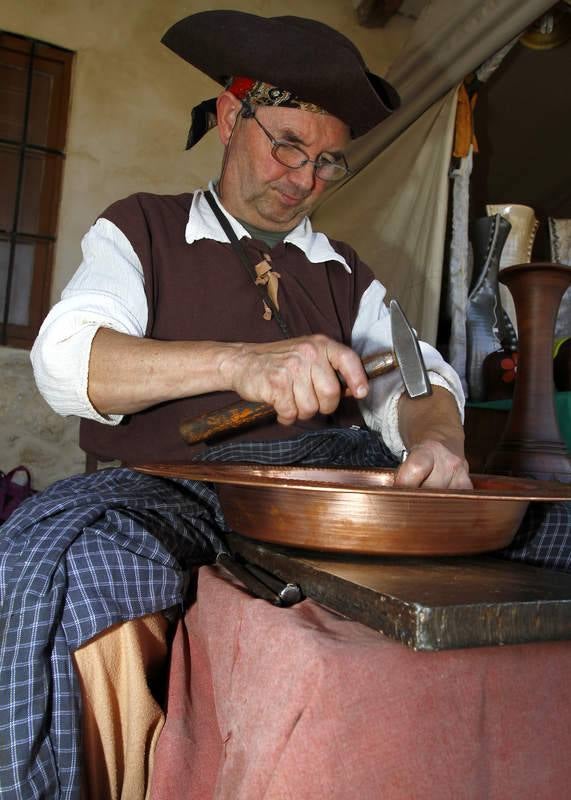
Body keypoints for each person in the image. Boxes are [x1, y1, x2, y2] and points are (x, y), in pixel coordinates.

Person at [1, 10, 566, 800]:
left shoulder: (341, 270)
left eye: (328, 162)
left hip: (332, 490)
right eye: (287, 146)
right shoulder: (142, 229)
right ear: (233, 116)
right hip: (178, 490)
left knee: (557, 525)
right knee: (71, 566)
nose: (303, 180)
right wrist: (242, 364)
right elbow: (67, 361)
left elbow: (419, 374)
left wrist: (436, 442)